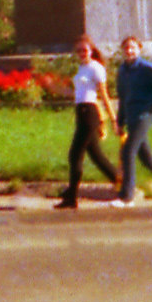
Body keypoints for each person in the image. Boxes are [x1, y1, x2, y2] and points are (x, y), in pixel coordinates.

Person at [112, 35, 152, 205]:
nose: (129, 51)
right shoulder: (123, 71)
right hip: (132, 115)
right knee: (145, 156)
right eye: (126, 48)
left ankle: (127, 197)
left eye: (133, 47)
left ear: (139, 49)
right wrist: (120, 121)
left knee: (128, 152)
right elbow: (123, 96)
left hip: (144, 115)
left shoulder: (145, 67)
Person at [56, 38, 121, 209]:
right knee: (96, 155)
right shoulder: (81, 68)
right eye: (78, 51)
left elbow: (103, 95)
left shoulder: (96, 68)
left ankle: (71, 197)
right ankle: (120, 182)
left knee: (75, 154)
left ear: (91, 50)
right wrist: (56, 88)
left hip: (89, 113)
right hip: (81, 112)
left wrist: (112, 119)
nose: (81, 53)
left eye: (84, 50)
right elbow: (79, 93)